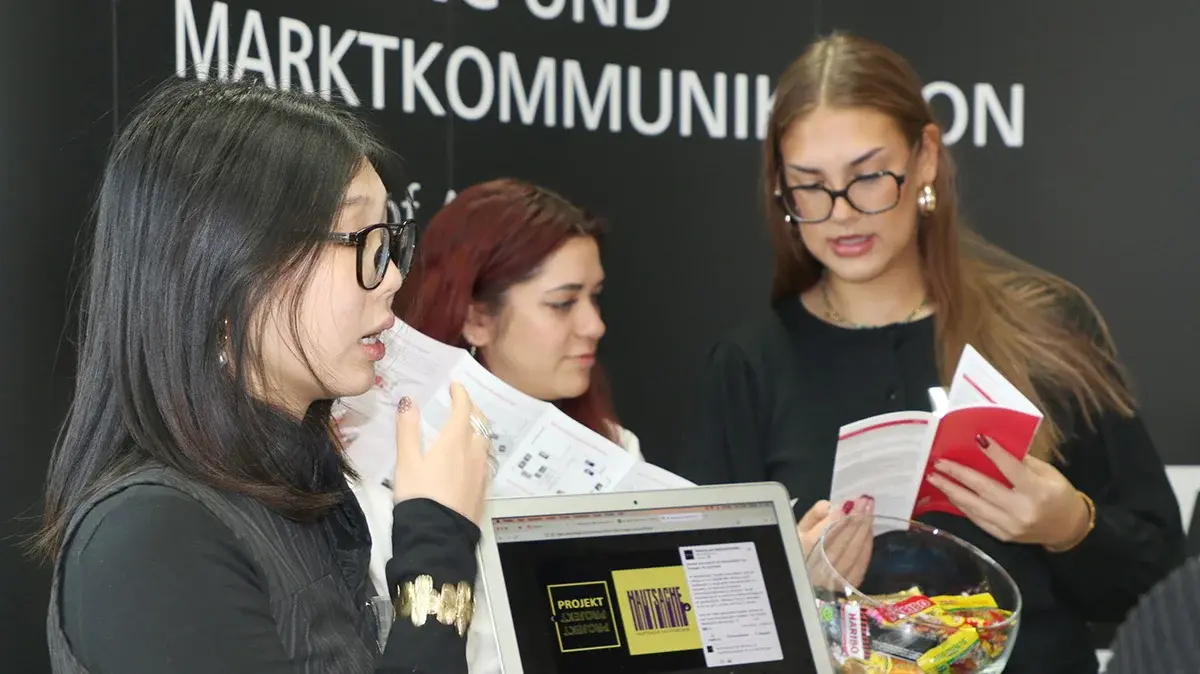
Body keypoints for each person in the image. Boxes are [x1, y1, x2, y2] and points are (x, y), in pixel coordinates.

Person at [679, 31, 1185, 673]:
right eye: (809, 185)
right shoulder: (746, 367)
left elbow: (1160, 577)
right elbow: (702, 624)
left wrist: (1069, 525)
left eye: (867, 177)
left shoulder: (1044, 326)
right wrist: (796, 589)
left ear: (925, 158)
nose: (841, 213)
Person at [34, 78, 493, 673]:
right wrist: (437, 553)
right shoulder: (152, 536)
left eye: (391, 245)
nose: (391, 280)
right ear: (231, 263)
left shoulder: (300, 495)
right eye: (364, 243)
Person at [335, 178, 643, 674]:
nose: (594, 325)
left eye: (595, 297)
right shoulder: (393, 462)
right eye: (563, 303)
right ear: (476, 317)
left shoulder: (612, 447)